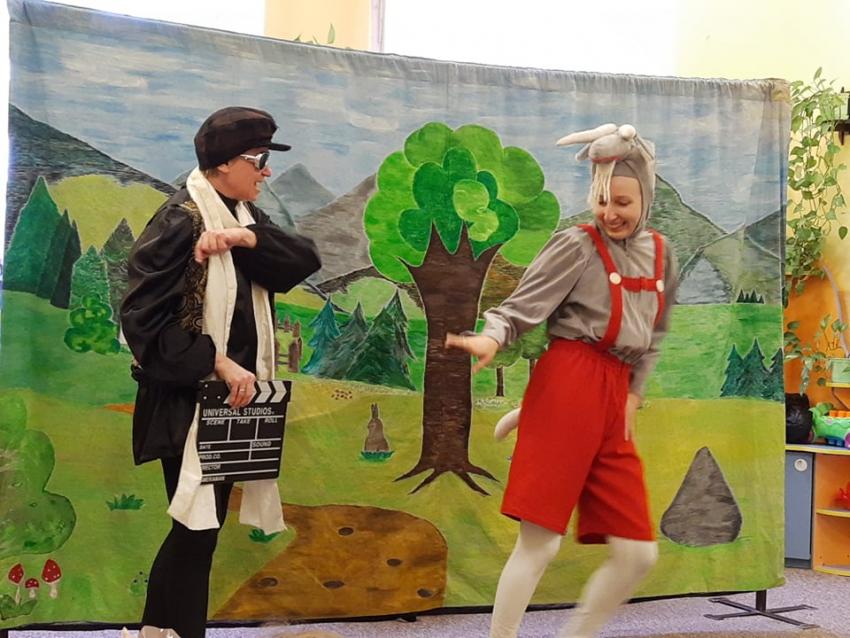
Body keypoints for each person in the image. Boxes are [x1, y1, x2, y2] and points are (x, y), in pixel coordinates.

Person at [445, 123, 679, 638]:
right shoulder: (577, 245)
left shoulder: (663, 253)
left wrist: (633, 394)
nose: (610, 213)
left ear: (646, 197)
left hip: (614, 396)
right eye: (602, 200)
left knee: (638, 553)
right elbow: (521, 307)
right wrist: (492, 337)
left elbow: (655, 332)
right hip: (569, 379)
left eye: (623, 202)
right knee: (540, 542)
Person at [120, 106, 322, 638]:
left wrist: (242, 239)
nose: (266, 171)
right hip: (188, 401)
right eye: (258, 159)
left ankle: (156, 631)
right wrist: (218, 360)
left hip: (232, 402)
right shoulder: (180, 220)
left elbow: (302, 260)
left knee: (197, 530)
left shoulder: (240, 216)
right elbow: (142, 322)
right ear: (225, 162)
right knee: (196, 527)